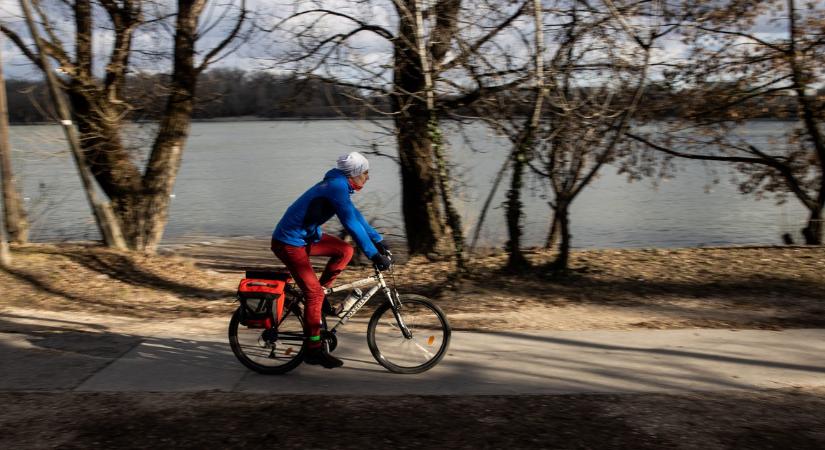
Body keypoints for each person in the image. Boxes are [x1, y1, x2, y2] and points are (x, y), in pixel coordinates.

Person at [271, 151, 392, 369]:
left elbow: (356, 216)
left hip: (304, 238)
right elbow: (351, 224)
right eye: (366, 173)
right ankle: (313, 349)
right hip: (288, 243)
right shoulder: (336, 187)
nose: (368, 177)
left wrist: (378, 240)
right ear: (354, 174)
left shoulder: (339, 184)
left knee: (344, 250)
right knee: (313, 293)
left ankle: (322, 297)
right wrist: (373, 254)